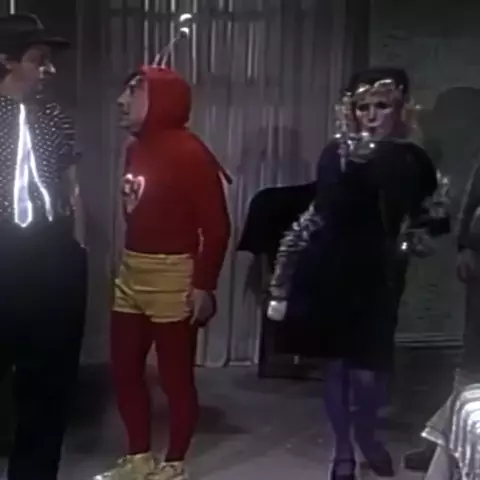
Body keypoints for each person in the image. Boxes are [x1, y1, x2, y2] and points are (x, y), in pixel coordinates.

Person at [267, 67, 439, 480]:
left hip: (382, 275)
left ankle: (366, 434)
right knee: (338, 366)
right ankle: (343, 450)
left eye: (382, 106)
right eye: (363, 107)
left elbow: (429, 213)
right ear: (351, 111)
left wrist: (422, 233)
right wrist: (357, 165)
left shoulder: (414, 157)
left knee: (370, 374)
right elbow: (329, 209)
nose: (372, 116)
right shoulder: (338, 152)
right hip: (333, 266)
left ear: (399, 108)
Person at [95, 66, 231, 480]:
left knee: (175, 377)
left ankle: (174, 463)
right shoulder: (134, 149)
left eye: (134, 92)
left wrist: (204, 284)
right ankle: (139, 457)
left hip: (173, 275)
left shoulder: (190, 153)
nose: (121, 102)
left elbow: (217, 227)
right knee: (124, 368)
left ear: (161, 99)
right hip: (131, 269)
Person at [0, 13, 87, 480]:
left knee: (49, 386)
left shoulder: (55, 117)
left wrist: (78, 251)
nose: (49, 70)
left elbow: (72, 187)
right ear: (6, 61)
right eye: (39, 60)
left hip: (52, 257)